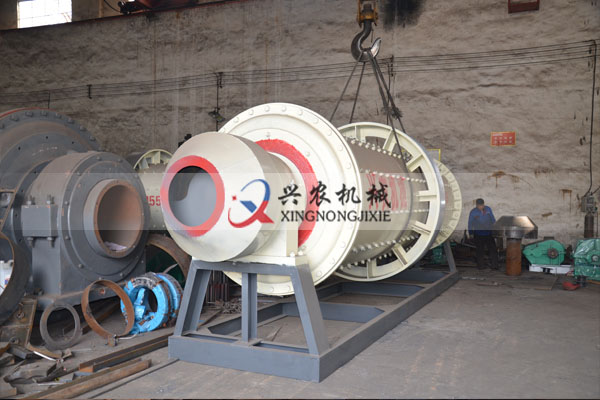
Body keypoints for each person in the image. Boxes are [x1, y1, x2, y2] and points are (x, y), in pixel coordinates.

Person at [468, 198, 499, 270]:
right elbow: (470, 223)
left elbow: (493, 219)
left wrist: (495, 228)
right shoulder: (473, 212)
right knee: (480, 250)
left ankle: (494, 266)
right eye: (479, 205)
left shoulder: (488, 209)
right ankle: (481, 266)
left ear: (484, 204)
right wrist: (471, 233)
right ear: (476, 205)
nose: (481, 207)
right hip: (478, 234)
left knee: (493, 249)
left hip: (489, 233)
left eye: (482, 205)